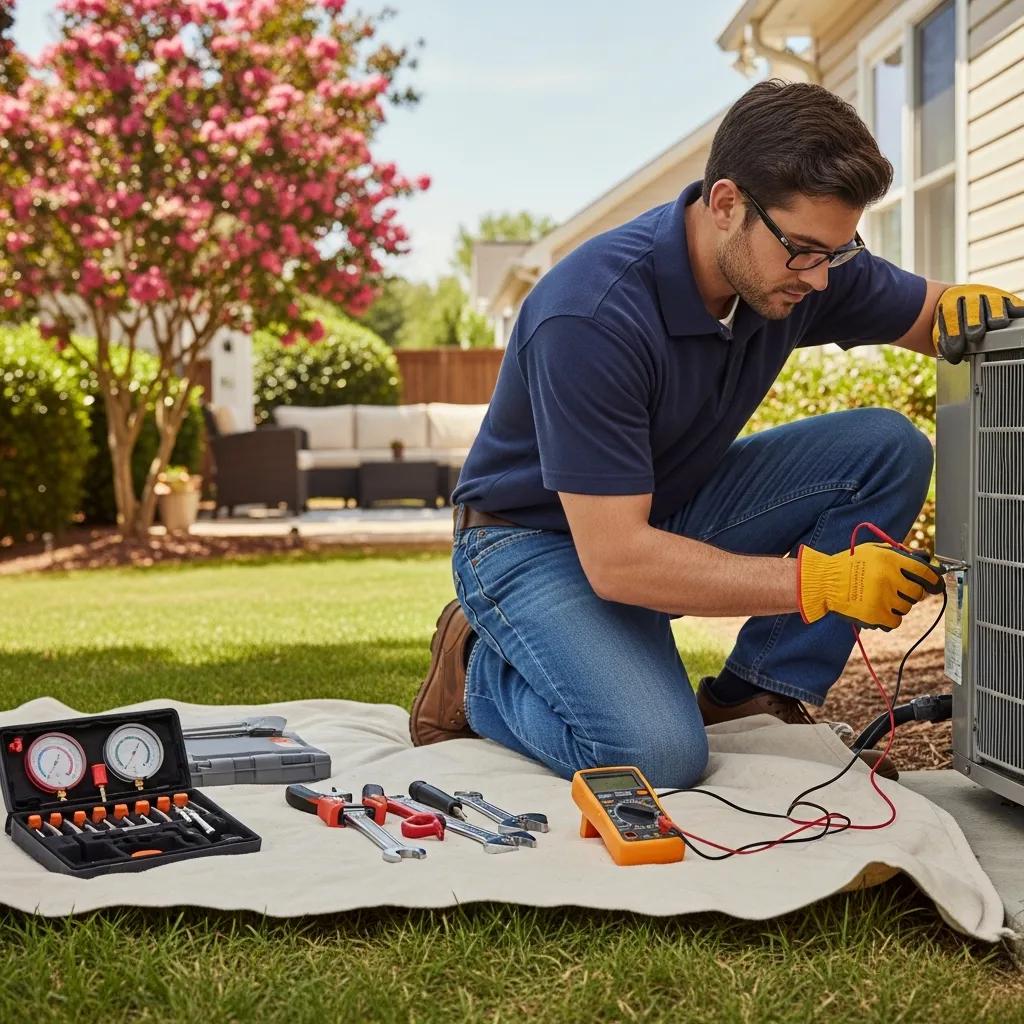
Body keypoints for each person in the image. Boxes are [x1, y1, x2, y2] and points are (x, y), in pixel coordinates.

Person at [409, 80, 1024, 788]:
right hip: (532, 543)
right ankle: (480, 670)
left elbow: (936, 313)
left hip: (658, 514)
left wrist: (972, 309)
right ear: (727, 203)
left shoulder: (796, 265)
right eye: (804, 251)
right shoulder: (591, 315)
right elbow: (617, 561)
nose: (822, 280)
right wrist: (822, 581)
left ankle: (754, 695)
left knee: (887, 449)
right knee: (659, 755)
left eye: (837, 251)